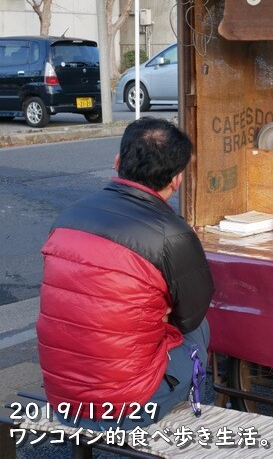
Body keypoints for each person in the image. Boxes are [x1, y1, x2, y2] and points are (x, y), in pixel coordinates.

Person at [37, 117, 215, 430]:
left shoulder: (68, 217)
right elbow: (190, 317)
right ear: (177, 179)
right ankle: (203, 421)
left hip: (62, 398)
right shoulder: (172, 234)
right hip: (125, 408)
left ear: (118, 162)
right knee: (198, 332)